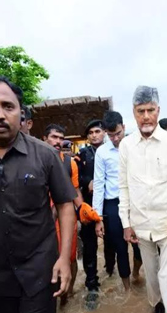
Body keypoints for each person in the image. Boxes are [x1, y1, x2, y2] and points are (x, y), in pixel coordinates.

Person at [0, 75, 77, 313]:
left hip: (39, 274)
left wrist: (64, 259)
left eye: (8, 106)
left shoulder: (45, 155)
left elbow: (65, 205)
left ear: (21, 114)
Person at [118, 86, 167, 313]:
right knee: (151, 274)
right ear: (134, 112)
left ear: (158, 111)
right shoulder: (126, 145)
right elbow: (124, 187)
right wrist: (126, 223)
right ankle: (155, 305)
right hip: (141, 226)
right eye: (141, 111)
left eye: (150, 110)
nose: (146, 116)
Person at [93, 111, 142, 292]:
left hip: (134, 202)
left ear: (124, 128)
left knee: (139, 246)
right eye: (111, 135)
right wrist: (97, 217)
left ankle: (137, 271)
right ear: (106, 132)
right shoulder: (102, 152)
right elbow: (99, 184)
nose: (115, 138)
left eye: (118, 133)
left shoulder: (135, 146)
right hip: (112, 204)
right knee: (120, 247)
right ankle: (127, 289)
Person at [42, 123, 84, 305]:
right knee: (45, 258)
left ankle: (67, 293)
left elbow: (75, 191)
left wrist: (84, 212)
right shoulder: (34, 159)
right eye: (54, 137)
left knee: (70, 256)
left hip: (65, 218)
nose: (58, 142)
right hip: (41, 219)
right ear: (45, 139)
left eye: (61, 138)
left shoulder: (70, 163)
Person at [76, 119, 114, 296]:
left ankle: (110, 267)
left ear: (104, 132)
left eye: (97, 131)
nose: (94, 135)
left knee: (111, 241)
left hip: (109, 206)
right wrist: (88, 181)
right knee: (90, 244)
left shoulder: (114, 152)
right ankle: (92, 282)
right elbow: (76, 178)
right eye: (90, 133)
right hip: (89, 206)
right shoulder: (82, 154)